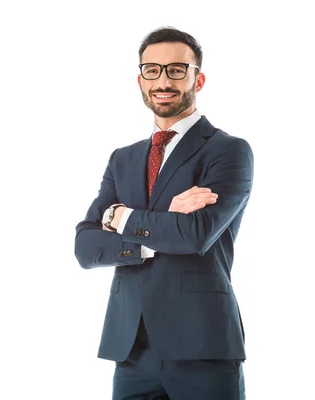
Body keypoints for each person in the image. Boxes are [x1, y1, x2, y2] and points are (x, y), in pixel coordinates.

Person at [74, 26, 254, 400]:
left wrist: (120, 218)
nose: (163, 80)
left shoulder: (228, 151)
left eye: (176, 69)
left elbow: (195, 234)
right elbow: (86, 247)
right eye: (152, 70)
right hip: (131, 348)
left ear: (197, 79)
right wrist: (154, 236)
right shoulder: (123, 158)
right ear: (140, 80)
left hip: (202, 345)